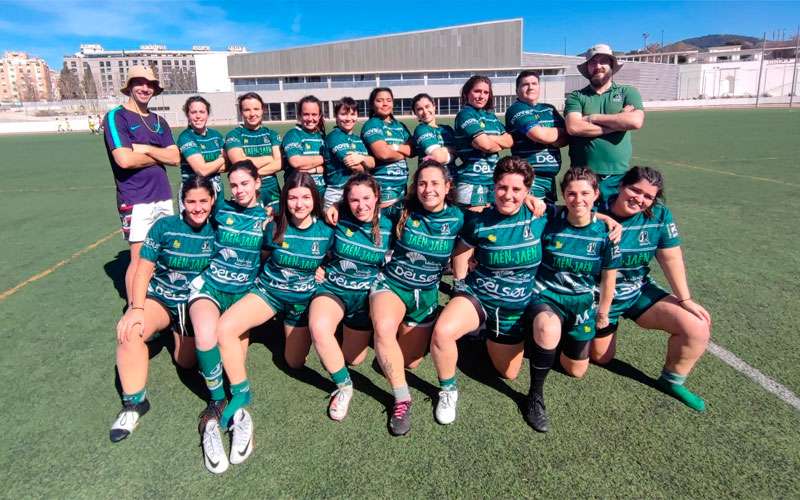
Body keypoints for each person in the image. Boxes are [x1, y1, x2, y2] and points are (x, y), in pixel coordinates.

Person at [214, 172, 334, 460]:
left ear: (314, 199)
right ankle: (241, 392)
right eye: (292, 197)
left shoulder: (328, 231)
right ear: (284, 199)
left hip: (300, 304)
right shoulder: (274, 225)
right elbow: (266, 256)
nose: (299, 203)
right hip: (269, 293)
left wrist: (324, 270)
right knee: (225, 329)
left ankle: (283, 331)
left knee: (293, 363)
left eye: (305, 197)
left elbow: (336, 261)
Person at [430, 157, 548, 425]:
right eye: (502, 187)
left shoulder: (541, 216)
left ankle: (480, 337)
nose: (508, 195)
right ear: (493, 187)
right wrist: (460, 286)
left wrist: (607, 221)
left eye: (517, 190)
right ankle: (448, 391)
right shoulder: (478, 220)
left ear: (528, 191)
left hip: (516, 306)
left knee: (508, 373)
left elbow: (580, 213)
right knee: (443, 331)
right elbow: (460, 253)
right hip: (480, 295)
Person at [591, 166, 711, 411]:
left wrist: (684, 299)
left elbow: (671, 257)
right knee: (601, 358)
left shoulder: (658, 215)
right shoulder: (594, 208)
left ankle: (672, 381)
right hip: (597, 297)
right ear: (622, 185)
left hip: (636, 290)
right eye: (635, 190)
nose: (640, 199)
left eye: (648, 196)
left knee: (696, 326)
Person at [110, 175, 216, 443]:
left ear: (213, 200)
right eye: (191, 201)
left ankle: (171, 334)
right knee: (130, 331)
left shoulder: (218, 230)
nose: (197, 207)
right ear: (182, 202)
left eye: (203, 200)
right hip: (160, 298)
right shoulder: (164, 226)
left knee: (186, 362)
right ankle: (134, 403)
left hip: (191, 306)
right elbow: (144, 268)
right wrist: (135, 307)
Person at [369, 160, 463, 436]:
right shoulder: (404, 209)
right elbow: (367, 209)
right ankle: (402, 399)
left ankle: (393, 349)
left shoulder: (458, 217)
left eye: (435, 183)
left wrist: (530, 198)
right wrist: (333, 209)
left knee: (410, 362)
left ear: (447, 187)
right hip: (392, 284)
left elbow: (495, 215)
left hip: (427, 294)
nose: (428, 189)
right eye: (422, 183)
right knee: (384, 329)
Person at [186, 160, 268, 474]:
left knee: (232, 354)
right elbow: (195, 205)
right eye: (234, 185)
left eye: (245, 183)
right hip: (212, 286)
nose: (239, 190)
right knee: (207, 334)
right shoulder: (221, 210)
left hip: (243, 294)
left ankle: (236, 410)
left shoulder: (269, 217)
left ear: (257, 182)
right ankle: (217, 401)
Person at [524, 166, 621, 433]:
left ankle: (544, 347)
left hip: (581, 305)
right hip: (546, 296)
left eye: (585, 193)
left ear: (596, 194)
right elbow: (521, 197)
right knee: (547, 326)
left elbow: (608, 278)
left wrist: (603, 313)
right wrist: (531, 197)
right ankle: (535, 396)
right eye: (571, 193)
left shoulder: (606, 233)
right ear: (563, 195)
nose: (578, 199)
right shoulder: (552, 217)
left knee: (575, 371)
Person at [308, 174, 393, 421]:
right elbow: (309, 234)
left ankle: (349, 332)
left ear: (377, 197)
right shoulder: (337, 218)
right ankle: (345, 387)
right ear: (346, 201)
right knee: (319, 327)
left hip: (364, 299)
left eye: (366, 198)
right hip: (333, 289)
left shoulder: (390, 224)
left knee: (353, 359)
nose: (361, 205)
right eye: (354, 200)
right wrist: (314, 265)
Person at [102, 65, 179, 302]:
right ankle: (136, 309)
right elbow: (124, 160)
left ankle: (158, 304)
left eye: (150, 84)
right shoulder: (117, 116)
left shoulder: (159, 121)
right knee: (138, 258)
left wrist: (145, 149)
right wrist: (159, 155)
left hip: (163, 196)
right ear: (130, 86)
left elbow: (175, 158)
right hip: (135, 198)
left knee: (163, 253)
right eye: (139, 82)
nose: (145, 88)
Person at [565, 44, 645, 202]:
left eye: (603, 61)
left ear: (612, 65)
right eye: (593, 62)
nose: (598, 66)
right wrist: (618, 124)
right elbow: (574, 127)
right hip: (582, 176)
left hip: (618, 176)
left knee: (615, 222)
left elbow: (635, 121)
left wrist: (592, 117)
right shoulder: (576, 96)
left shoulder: (628, 92)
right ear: (587, 67)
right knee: (584, 222)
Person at [505, 70, 568, 203]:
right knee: (534, 217)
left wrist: (551, 137)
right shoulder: (516, 109)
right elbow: (538, 134)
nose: (531, 87)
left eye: (534, 83)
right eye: (525, 84)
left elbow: (568, 135)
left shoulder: (549, 109)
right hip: (529, 178)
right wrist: (551, 137)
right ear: (517, 90)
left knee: (548, 218)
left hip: (550, 179)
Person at [453, 75, 513, 211]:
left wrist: (486, 138)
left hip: (492, 180)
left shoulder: (491, 117)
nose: (481, 96)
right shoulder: (465, 114)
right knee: (475, 225)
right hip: (471, 182)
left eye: (486, 92)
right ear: (467, 93)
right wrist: (493, 142)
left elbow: (509, 141)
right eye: (477, 91)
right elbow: (485, 145)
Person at [361, 87, 413, 219]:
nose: (385, 104)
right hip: (383, 191)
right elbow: (383, 154)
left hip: (402, 189)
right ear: (372, 104)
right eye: (380, 100)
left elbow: (412, 150)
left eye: (388, 100)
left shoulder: (400, 126)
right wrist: (402, 151)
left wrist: (393, 147)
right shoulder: (372, 124)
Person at [225, 92, 283, 210]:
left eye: (256, 109)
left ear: (263, 110)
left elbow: (279, 163)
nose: (252, 114)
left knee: (275, 226)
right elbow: (240, 163)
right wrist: (269, 158)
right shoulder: (234, 135)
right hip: (246, 192)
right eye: (247, 110)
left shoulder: (272, 134)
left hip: (272, 191)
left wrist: (250, 174)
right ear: (241, 112)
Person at [177, 96, 226, 212]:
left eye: (202, 112)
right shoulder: (186, 137)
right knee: (193, 229)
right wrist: (222, 159)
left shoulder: (216, 135)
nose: (198, 116)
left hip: (217, 192)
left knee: (216, 227)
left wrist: (210, 166)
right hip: (193, 195)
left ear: (207, 114)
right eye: (193, 112)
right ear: (188, 115)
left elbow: (228, 166)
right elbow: (201, 170)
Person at [324, 97, 375, 208]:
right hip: (337, 194)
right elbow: (354, 166)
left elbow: (372, 163)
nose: (348, 118)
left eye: (352, 114)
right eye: (343, 114)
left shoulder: (357, 139)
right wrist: (365, 164)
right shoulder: (334, 137)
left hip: (356, 192)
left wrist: (361, 158)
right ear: (336, 116)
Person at [283, 95, 329, 198]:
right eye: (306, 114)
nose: (310, 118)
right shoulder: (293, 135)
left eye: (314, 114)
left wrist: (311, 168)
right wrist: (323, 159)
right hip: (299, 195)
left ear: (320, 116)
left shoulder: (322, 136)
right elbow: (296, 162)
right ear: (299, 115)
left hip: (322, 194)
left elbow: (329, 167)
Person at [411, 93, 457, 180]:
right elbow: (438, 156)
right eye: (420, 109)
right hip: (432, 181)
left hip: (453, 180)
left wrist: (444, 152)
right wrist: (451, 150)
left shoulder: (447, 129)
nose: (425, 111)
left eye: (427, 106)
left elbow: (459, 151)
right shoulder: (421, 130)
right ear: (416, 113)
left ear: (434, 106)